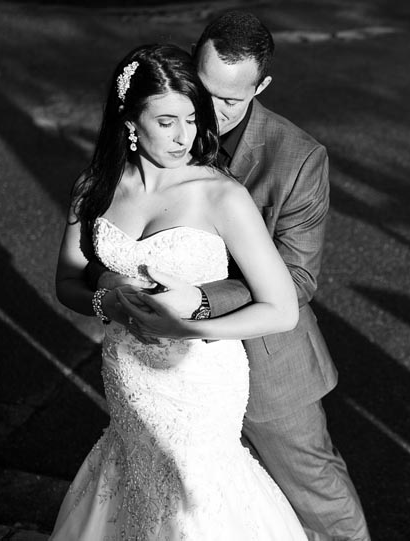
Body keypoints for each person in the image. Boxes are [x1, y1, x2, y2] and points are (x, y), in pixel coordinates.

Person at [90, 12, 371, 541]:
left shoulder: (298, 156)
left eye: (231, 100)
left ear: (260, 86)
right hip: (165, 377)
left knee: (317, 501)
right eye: (205, 89)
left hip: (268, 357)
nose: (209, 114)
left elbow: (298, 277)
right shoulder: (164, 120)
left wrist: (198, 300)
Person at [50, 43, 308, 540]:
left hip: (202, 382)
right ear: (129, 120)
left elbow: (281, 310)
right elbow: (67, 282)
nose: (183, 135)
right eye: (166, 121)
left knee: (198, 505)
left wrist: (186, 325)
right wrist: (107, 297)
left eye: (191, 118)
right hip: (129, 379)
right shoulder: (95, 188)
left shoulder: (220, 195)